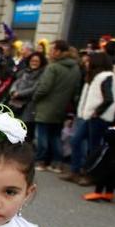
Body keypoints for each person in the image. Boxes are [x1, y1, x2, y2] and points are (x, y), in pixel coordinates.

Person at [63, 52, 115, 184]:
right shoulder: (94, 77)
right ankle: (75, 171)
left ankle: (91, 175)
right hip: (89, 116)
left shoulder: (106, 77)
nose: (86, 64)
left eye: (89, 62)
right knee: (76, 141)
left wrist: (97, 112)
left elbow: (109, 98)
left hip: (99, 118)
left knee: (94, 147)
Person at [33, 39, 81, 173]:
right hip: (62, 107)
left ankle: (41, 161)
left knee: (42, 135)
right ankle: (57, 162)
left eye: (52, 49)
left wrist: (35, 98)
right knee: (55, 136)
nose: (49, 52)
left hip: (47, 106)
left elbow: (44, 88)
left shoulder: (53, 67)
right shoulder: (76, 68)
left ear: (58, 51)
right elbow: (76, 90)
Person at [7, 51, 46, 142]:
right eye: (32, 61)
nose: (34, 63)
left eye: (36, 61)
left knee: (26, 130)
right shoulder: (24, 71)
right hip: (16, 104)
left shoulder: (42, 74)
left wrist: (19, 94)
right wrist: (13, 91)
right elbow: (16, 83)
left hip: (30, 105)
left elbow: (35, 89)